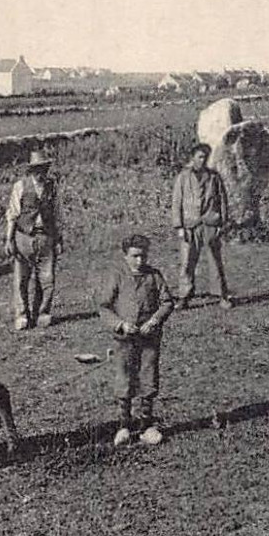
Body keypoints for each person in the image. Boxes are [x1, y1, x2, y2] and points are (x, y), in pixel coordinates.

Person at [94, 234, 175, 447]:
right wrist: (120, 324)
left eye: (143, 256)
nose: (140, 261)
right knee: (124, 378)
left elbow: (167, 302)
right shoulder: (116, 275)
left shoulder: (154, 276)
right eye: (135, 256)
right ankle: (124, 425)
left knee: (148, 377)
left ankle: (146, 425)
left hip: (149, 339)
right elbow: (104, 307)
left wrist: (155, 320)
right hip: (124, 340)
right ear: (125, 255)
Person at [169, 143, 234, 309]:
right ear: (192, 158)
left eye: (205, 157)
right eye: (199, 157)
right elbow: (176, 203)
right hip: (190, 226)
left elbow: (223, 201)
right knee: (187, 262)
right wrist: (179, 227)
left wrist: (223, 223)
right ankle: (184, 297)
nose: (203, 160)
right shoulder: (183, 178)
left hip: (210, 224)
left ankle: (222, 296)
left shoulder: (214, 177)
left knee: (215, 261)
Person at [3, 149, 62, 330]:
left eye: (43, 169)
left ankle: (42, 313)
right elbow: (12, 215)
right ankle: (22, 315)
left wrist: (58, 239)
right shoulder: (20, 186)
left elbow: (56, 215)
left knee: (47, 278)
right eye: (36, 169)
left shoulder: (52, 187)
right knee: (21, 278)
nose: (40, 173)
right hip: (24, 236)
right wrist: (9, 239)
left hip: (46, 237)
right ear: (30, 170)